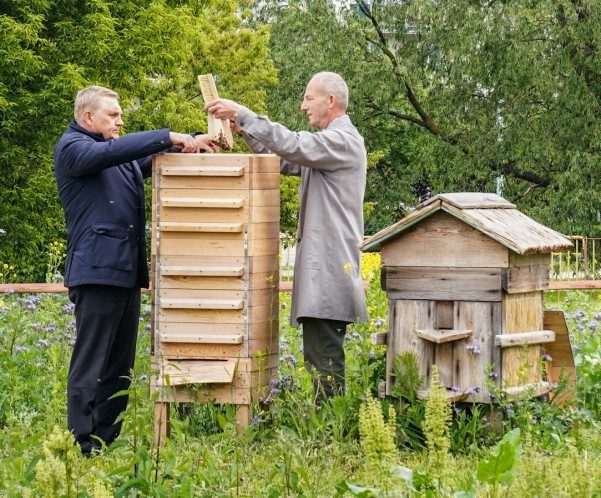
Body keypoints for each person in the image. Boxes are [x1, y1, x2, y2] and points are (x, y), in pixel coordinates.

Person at [54, 85, 215, 455]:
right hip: (95, 272)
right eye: (113, 114)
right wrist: (167, 135)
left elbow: (139, 159)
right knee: (92, 361)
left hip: (124, 273)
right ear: (88, 117)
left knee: (119, 364)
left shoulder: (113, 156)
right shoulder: (74, 149)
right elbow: (117, 151)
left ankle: (105, 441)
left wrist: (190, 142)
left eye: (120, 113)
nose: (120, 120)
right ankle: (82, 442)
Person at [206, 72, 368, 400]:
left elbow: (294, 144)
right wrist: (245, 130)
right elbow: (285, 158)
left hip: (330, 267)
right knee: (319, 356)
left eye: (309, 98)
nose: (303, 105)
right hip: (325, 267)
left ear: (331, 101)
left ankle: (328, 433)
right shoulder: (328, 147)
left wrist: (244, 114)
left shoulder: (343, 140)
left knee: (324, 358)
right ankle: (328, 428)